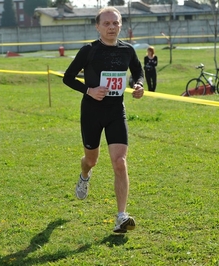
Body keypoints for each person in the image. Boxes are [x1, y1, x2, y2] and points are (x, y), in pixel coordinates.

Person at [63, 7, 144, 234]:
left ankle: (121, 216)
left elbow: (137, 72)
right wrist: (89, 90)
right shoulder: (89, 50)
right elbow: (68, 78)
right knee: (92, 160)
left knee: (120, 162)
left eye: (115, 23)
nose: (111, 27)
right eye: (106, 24)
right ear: (97, 26)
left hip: (116, 111)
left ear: (121, 26)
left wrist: (138, 85)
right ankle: (84, 175)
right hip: (92, 113)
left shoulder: (127, 50)